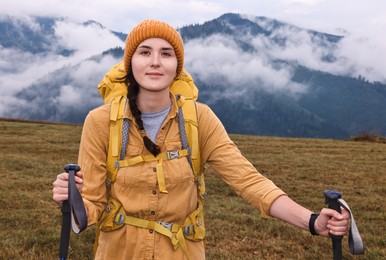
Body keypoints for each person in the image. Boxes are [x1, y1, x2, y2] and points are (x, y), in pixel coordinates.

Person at [52, 19, 349, 259]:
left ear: (177, 67)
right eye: (145, 52)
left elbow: (249, 182)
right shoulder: (101, 121)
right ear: (130, 63)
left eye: (166, 53)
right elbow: (88, 208)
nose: (155, 61)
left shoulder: (199, 119)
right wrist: (71, 200)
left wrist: (311, 221)